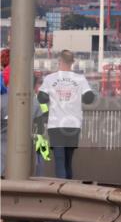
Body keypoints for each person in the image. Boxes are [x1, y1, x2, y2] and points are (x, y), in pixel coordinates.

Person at [38, 50, 96, 180]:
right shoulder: (80, 79)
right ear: (72, 62)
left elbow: (41, 98)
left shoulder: (50, 78)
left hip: (56, 124)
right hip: (74, 124)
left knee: (59, 160)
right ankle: (69, 191)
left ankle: (61, 191)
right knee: (68, 162)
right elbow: (89, 98)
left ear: (59, 61)